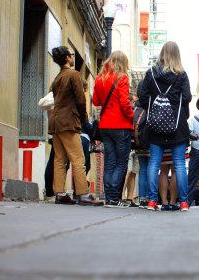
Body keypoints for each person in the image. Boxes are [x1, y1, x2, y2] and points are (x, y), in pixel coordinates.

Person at [139, 41, 192, 212]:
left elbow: (142, 95)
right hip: (177, 125)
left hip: (156, 124)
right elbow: (188, 97)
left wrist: (154, 108)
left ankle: (153, 201)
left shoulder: (151, 73)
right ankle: (183, 202)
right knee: (179, 164)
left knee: (154, 163)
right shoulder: (181, 74)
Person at [48, 46, 102, 206]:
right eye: (71, 55)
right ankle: (82, 194)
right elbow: (80, 99)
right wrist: (83, 118)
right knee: (78, 158)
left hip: (56, 122)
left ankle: (60, 193)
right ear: (67, 58)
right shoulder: (74, 75)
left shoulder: (57, 79)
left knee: (59, 159)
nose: (73, 58)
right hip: (69, 122)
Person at [92, 51, 134, 207]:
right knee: (121, 162)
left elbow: (96, 101)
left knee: (109, 161)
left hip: (105, 125)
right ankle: (114, 197)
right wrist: (131, 116)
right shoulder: (122, 77)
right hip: (120, 125)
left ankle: (109, 196)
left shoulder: (99, 78)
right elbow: (124, 103)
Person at [122, 94, 140, 207]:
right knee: (127, 171)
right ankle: (122, 196)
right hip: (128, 143)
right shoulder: (127, 111)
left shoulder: (138, 111)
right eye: (134, 102)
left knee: (133, 172)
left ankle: (130, 197)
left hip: (136, 144)